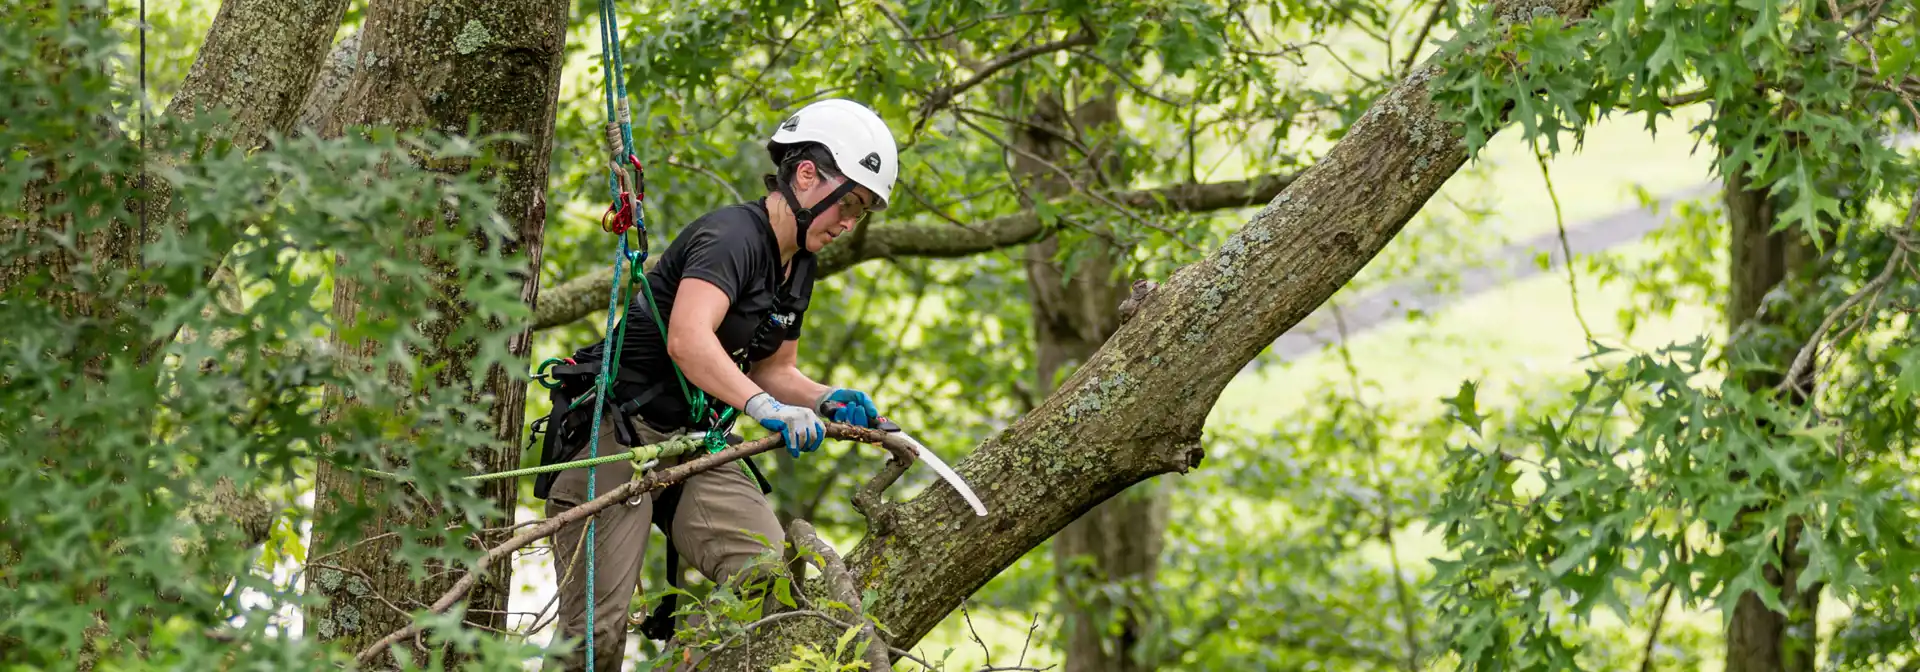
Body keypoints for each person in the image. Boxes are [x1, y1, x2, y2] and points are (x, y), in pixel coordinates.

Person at [534, 98, 899, 671]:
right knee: (594, 639)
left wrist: (826, 398)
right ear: (807, 176)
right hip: (618, 431)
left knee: (769, 587)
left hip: (695, 438)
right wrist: (766, 408)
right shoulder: (732, 237)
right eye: (849, 202)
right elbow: (689, 340)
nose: (851, 222)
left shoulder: (798, 263)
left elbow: (775, 368)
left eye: (863, 211)